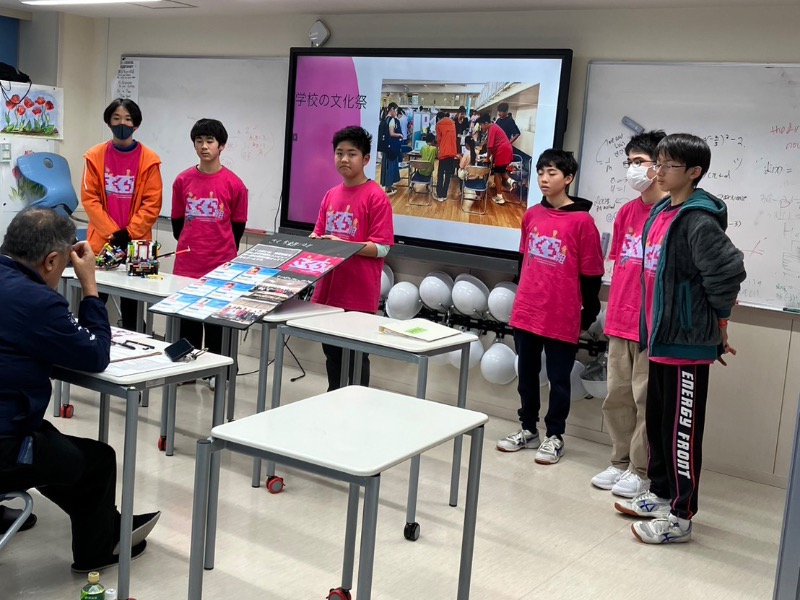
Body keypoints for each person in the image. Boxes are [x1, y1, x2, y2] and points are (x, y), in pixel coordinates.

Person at [0, 207, 159, 572]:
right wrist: (89, 286)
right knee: (97, 460)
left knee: (51, 443)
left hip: (10, 425)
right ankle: (98, 550)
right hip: (4, 444)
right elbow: (95, 354)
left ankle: (108, 523)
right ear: (51, 260)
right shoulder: (37, 300)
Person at [616, 133, 745, 544]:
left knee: (681, 434)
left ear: (693, 172)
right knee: (658, 426)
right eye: (657, 163)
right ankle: (659, 493)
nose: (658, 171)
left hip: (686, 343)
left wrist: (719, 324)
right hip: (659, 339)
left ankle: (681, 517)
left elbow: (728, 271)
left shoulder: (697, 219)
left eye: (668, 165)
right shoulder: (660, 213)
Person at [496, 150, 604, 464]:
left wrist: (588, 313)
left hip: (562, 314)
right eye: (541, 172)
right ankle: (528, 429)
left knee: (558, 379)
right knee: (526, 375)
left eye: (552, 173)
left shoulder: (583, 222)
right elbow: (523, 261)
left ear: (568, 178)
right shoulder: (531, 215)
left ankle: (555, 435)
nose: (544, 178)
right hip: (527, 311)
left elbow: (592, 274)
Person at [590, 130, 668, 498]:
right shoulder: (626, 212)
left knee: (645, 401)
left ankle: (641, 470)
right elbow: (621, 265)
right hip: (620, 319)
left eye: (639, 162)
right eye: (629, 162)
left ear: (660, 166)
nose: (632, 169)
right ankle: (619, 461)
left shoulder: (675, 214)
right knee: (617, 397)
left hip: (653, 326)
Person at [309, 126, 394, 391]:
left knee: (357, 358)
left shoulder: (376, 197)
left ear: (366, 159)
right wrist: (314, 240)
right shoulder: (330, 194)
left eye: (352, 154)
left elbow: (382, 248)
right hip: (329, 292)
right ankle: (333, 399)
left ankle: (357, 406)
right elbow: (319, 233)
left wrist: (344, 246)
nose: (344, 159)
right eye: (339, 153)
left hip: (358, 294)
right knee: (332, 357)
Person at [171, 118, 248, 368]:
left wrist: (218, 248)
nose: (204, 146)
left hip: (221, 266)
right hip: (187, 264)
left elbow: (237, 228)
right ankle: (186, 371)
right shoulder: (182, 180)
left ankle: (218, 373)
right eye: (199, 141)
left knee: (218, 326)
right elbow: (177, 224)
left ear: (221, 146)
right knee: (187, 323)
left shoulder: (235, 184)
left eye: (210, 141)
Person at [81, 98, 163, 330]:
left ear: (136, 124)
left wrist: (129, 233)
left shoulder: (150, 160)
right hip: (101, 243)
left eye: (128, 119)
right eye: (116, 118)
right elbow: (90, 199)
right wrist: (114, 233)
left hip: (138, 246)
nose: (122, 124)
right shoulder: (94, 156)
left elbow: (152, 203)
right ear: (108, 122)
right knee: (94, 301)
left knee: (133, 310)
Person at [478, 113, 515, 205]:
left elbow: (489, 146)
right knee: (501, 171)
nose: (481, 127)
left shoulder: (492, 128)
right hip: (506, 150)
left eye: (481, 125)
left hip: (502, 151)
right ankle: (512, 182)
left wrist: (487, 158)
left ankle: (500, 197)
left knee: (497, 173)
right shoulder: (494, 127)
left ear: (486, 123)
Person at [379, 102, 403, 196]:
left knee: (387, 166)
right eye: (396, 110)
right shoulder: (392, 120)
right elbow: (392, 133)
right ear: (392, 109)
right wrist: (399, 134)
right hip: (391, 148)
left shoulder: (385, 119)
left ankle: (388, 186)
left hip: (386, 147)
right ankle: (388, 188)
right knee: (391, 167)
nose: (396, 113)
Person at [434, 111, 458, 202]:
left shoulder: (439, 124)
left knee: (440, 174)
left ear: (438, 118)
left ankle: (439, 195)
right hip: (452, 151)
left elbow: (439, 140)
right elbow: (454, 138)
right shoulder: (453, 123)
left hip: (444, 151)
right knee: (448, 174)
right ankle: (444, 195)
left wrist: (439, 148)